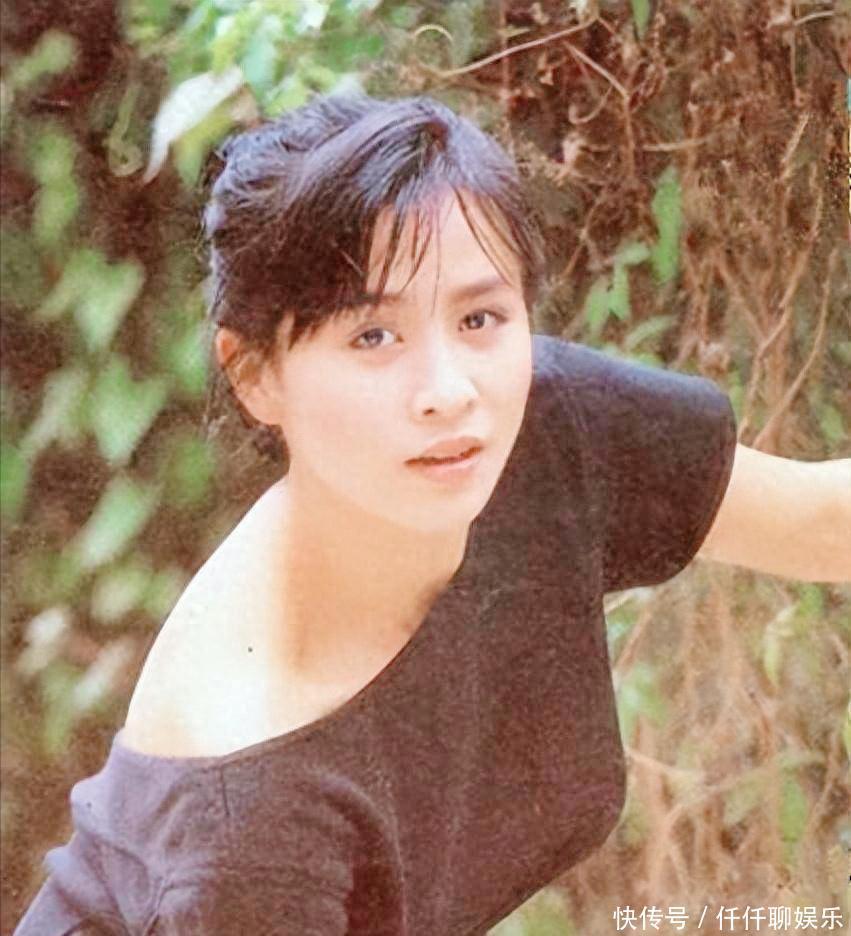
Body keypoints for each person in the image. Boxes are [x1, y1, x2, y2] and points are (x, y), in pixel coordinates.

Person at [15, 91, 844, 936]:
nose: (447, 391)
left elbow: (821, 523)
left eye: (479, 317)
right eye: (372, 337)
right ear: (255, 374)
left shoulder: (533, 424)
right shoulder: (251, 809)